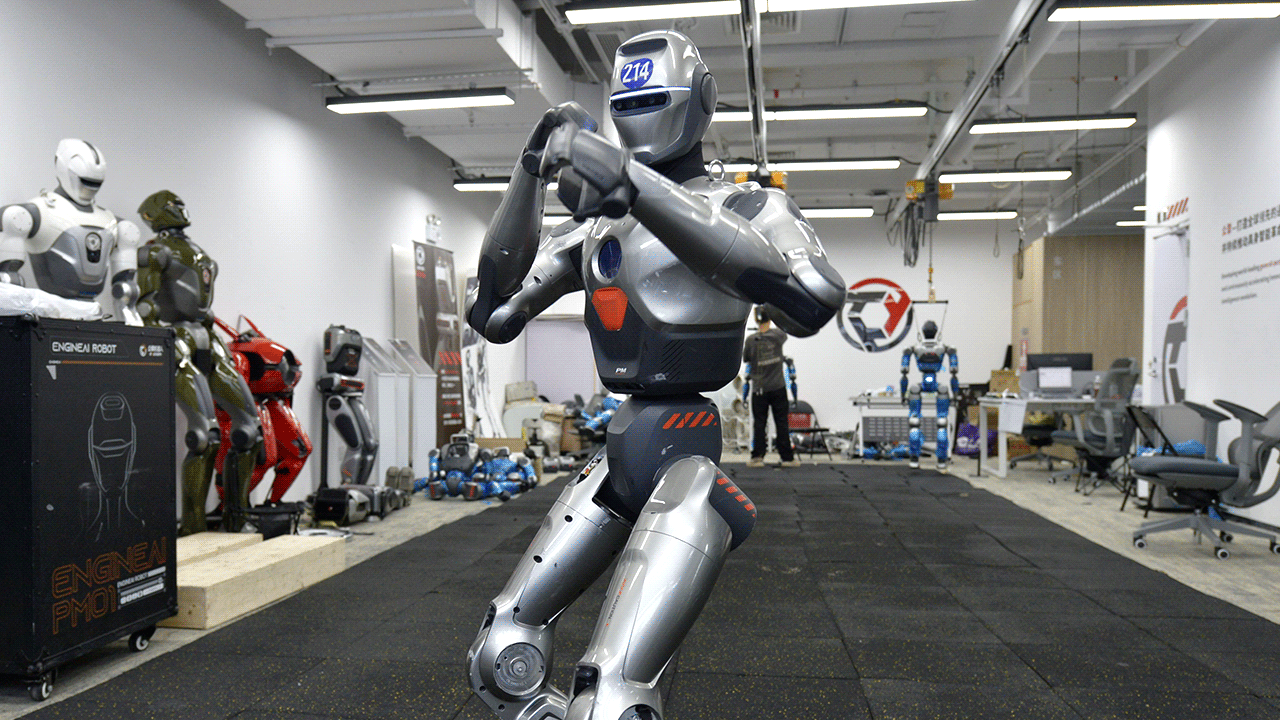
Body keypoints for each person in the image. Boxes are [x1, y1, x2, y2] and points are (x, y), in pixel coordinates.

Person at [462, 29, 844, 720]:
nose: (638, 116)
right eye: (627, 102)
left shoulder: (747, 206)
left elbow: (811, 297)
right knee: (502, 653)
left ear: (699, 100)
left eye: (650, 98)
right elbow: (492, 312)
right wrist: (528, 173)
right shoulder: (596, 227)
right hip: (621, 450)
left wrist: (636, 188)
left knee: (610, 696)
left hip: (685, 461)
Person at [742, 307, 799, 467]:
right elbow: (784, 327)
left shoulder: (751, 340)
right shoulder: (778, 336)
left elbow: (746, 358)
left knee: (760, 423)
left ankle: (757, 457)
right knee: (782, 423)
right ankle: (787, 458)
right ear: (770, 319)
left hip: (759, 389)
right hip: (778, 387)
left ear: (756, 320)